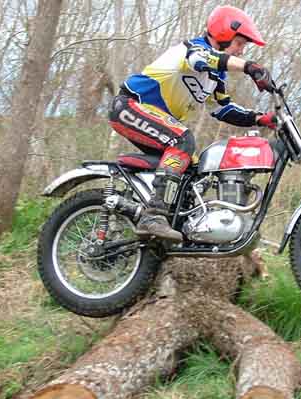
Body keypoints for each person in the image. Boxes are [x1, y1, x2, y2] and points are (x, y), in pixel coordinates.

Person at [109, 5, 276, 242]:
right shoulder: (193, 49)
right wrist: (249, 66)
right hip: (130, 107)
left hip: (153, 119)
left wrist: (260, 118)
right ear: (223, 34)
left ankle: (171, 229)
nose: (241, 51)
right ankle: (153, 216)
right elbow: (202, 59)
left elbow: (223, 109)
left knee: (194, 170)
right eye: (239, 44)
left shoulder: (215, 78)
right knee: (182, 140)